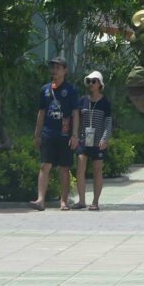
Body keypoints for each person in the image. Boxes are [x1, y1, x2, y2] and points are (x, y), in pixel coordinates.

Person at [29, 56, 80, 211]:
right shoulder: (45, 89)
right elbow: (41, 112)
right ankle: (40, 200)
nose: (55, 70)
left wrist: (75, 135)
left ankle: (63, 201)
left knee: (64, 168)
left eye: (58, 67)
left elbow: (75, 113)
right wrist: (37, 134)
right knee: (45, 165)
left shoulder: (71, 90)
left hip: (65, 134)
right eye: (53, 67)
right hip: (48, 133)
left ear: (65, 70)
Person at [73, 70, 112, 211]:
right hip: (84, 140)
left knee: (97, 171)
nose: (91, 84)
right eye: (89, 81)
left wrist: (105, 139)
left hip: (98, 142)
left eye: (94, 81)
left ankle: (95, 202)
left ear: (100, 84)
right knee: (80, 169)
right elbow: (77, 119)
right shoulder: (82, 101)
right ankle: (81, 200)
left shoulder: (105, 102)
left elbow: (108, 123)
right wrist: (75, 136)